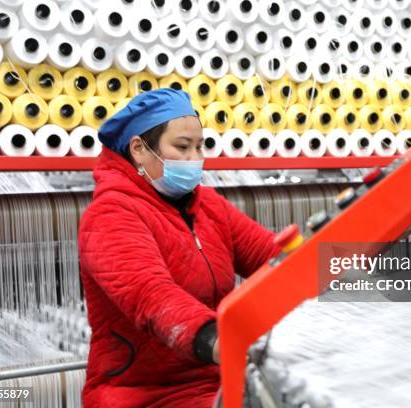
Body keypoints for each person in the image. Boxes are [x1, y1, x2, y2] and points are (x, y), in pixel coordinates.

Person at [78, 88, 280, 407]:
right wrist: (218, 338)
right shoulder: (109, 216)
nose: (194, 159)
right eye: (182, 147)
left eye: (200, 147)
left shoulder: (208, 207)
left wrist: (354, 282)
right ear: (139, 149)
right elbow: (152, 296)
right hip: (144, 394)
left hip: (215, 379)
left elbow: (272, 258)